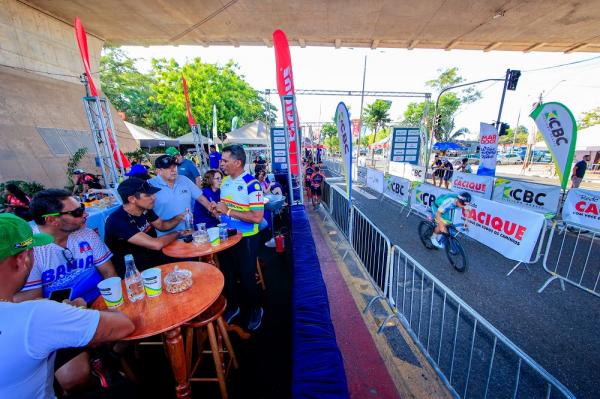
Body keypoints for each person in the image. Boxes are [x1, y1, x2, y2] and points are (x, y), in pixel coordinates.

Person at [0, 213, 134, 399]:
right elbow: (124, 325)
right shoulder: (35, 314)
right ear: (23, 259)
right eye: (32, 251)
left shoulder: (33, 312)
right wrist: (72, 310)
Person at [16, 189, 117, 304]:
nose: (85, 214)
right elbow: (34, 300)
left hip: (102, 298)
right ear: (51, 219)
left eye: (82, 208)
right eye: (77, 212)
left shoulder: (87, 234)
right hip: (61, 313)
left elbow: (109, 273)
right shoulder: (31, 251)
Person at [213, 144, 264, 331]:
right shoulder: (225, 181)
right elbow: (225, 208)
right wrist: (218, 211)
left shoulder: (252, 184)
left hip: (246, 238)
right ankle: (234, 306)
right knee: (227, 274)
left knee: (247, 277)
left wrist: (227, 210)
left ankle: (256, 309)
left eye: (225, 160)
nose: (221, 163)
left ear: (237, 162)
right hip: (226, 236)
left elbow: (257, 217)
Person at [104, 178, 187, 277]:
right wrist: (178, 233)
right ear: (132, 199)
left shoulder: (145, 209)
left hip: (154, 260)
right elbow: (156, 244)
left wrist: (178, 218)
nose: (154, 197)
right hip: (134, 272)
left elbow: (161, 225)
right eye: (148, 195)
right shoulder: (117, 220)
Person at [148, 155, 205, 236]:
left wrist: (212, 208)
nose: (173, 170)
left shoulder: (184, 179)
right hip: (166, 238)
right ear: (158, 171)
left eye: (174, 166)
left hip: (188, 234)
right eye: (168, 168)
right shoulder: (150, 185)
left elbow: (201, 198)